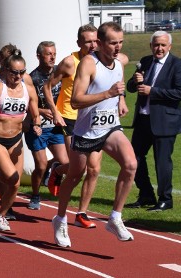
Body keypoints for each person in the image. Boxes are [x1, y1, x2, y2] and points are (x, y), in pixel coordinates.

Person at [52, 22, 135, 248]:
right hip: (86, 131)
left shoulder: (118, 63)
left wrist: (120, 99)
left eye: (120, 43)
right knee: (74, 176)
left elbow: (117, 81)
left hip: (109, 127)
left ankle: (115, 217)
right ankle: (60, 219)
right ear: (100, 43)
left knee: (130, 164)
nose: (118, 47)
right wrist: (107, 93)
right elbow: (76, 101)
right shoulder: (89, 63)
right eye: (112, 43)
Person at [43, 24, 102, 229]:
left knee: (94, 169)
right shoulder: (70, 62)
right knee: (80, 168)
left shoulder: (101, 61)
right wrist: (55, 111)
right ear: (79, 43)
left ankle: (81, 213)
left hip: (94, 119)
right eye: (88, 41)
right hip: (70, 118)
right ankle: (58, 170)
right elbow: (47, 86)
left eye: (96, 40)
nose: (93, 45)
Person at [0, 49, 42, 231]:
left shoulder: (28, 90)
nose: (18, 76)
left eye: (22, 72)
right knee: (13, 178)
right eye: (14, 72)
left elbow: (35, 112)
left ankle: (1, 215)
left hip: (16, 139)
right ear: (6, 70)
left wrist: (36, 124)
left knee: (14, 184)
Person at [126, 31, 181, 212]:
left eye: (162, 45)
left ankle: (165, 199)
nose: (159, 48)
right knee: (133, 158)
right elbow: (131, 87)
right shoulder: (145, 61)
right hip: (143, 119)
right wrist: (135, 81)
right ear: (151, 46)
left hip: (165, 121)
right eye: (156, 45)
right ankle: (145, 194)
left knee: (162, 162)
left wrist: (152, 91)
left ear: (169, 46)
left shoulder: (178, 65)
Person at [26, 41, 67, 210]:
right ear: (39, 56)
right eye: (48, 54)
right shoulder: (32, 78)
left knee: (65, 162)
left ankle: (53, 170)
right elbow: (27, 102)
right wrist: (41, 111)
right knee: (40, 165)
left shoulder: (60, 72)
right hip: (37, 126)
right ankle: (35, 195)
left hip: (56, 126)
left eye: (54, 54)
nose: (52, 57)